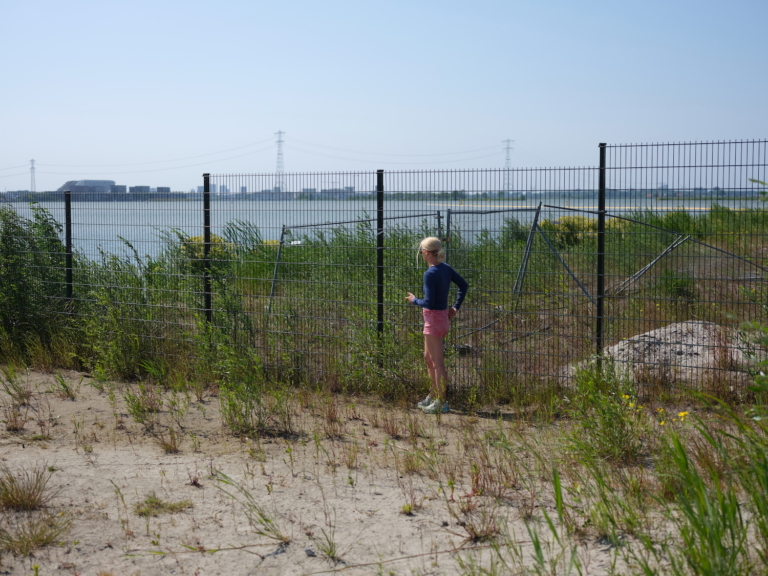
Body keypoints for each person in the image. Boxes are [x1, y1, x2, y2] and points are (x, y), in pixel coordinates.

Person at [406, 237, 468, 414]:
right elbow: (463, 285)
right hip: (439, 319)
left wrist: (414, 300)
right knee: (428, 359)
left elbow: (429, 302)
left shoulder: (430, 273)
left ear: (426, 252)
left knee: (438, 363)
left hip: (433, 320)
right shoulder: (445, 268)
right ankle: (433, 396)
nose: (421, 254)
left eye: (421, 252)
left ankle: (441, 401)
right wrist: (455, 306)